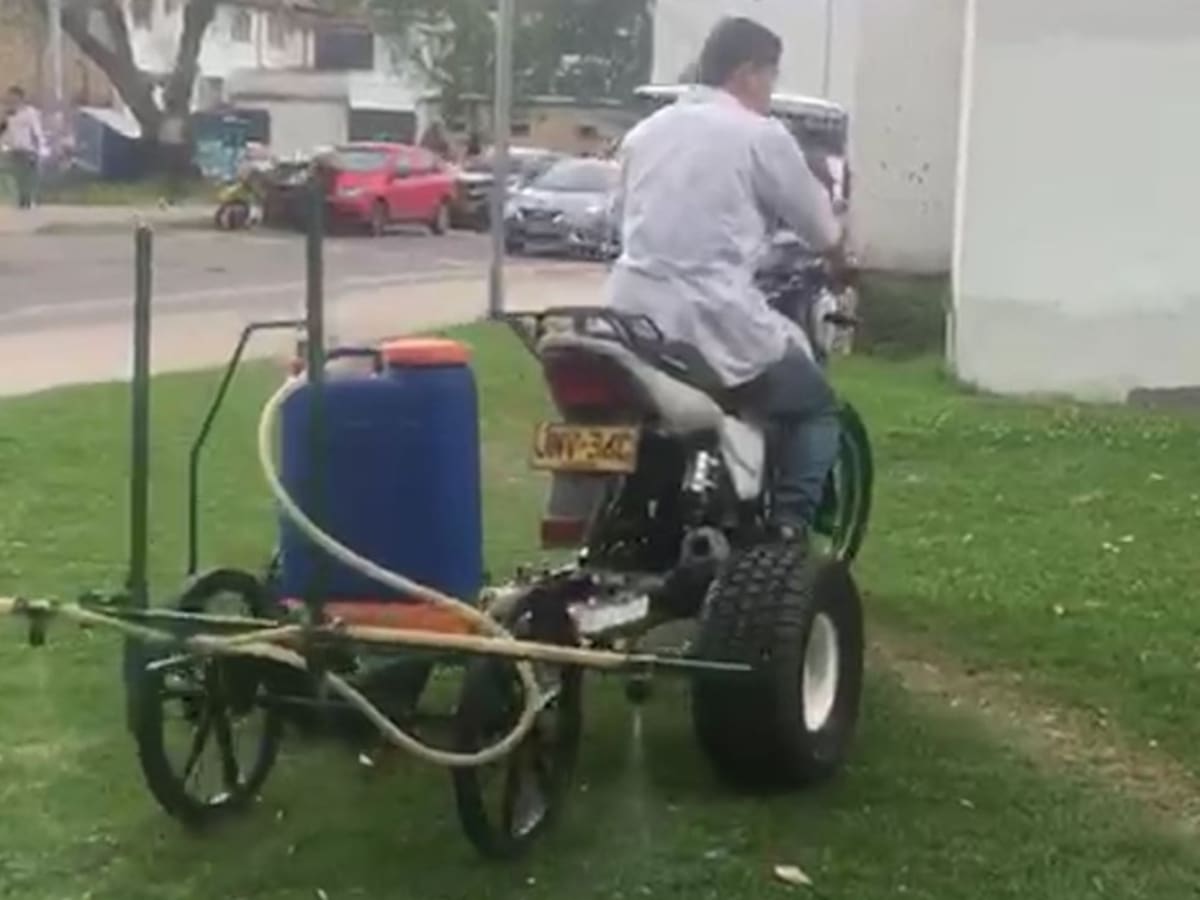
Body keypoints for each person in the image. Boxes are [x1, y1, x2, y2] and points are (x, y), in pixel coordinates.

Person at [607, 17, 845, 539]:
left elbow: (618, 218)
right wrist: (841, 256)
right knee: (816, 406)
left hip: (627, 317)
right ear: (746, 72)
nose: (771, 92)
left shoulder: (644, 133)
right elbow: (822, 227)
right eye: (770, 77)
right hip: (709, 319)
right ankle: (786, 534)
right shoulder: (760, 135)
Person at [1, 86, 46, 210]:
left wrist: (39, 147)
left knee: (28, 175)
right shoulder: (7, 113)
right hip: (12, 149)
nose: (11, 101)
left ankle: (28, 199)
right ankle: (20, 198)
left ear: (21, 98)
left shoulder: (30, 112)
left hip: (28, 149)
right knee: (16, 175)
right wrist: (4, 118)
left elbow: (36, 131)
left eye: (14, 98)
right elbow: (2, 131)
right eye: (9, 98)